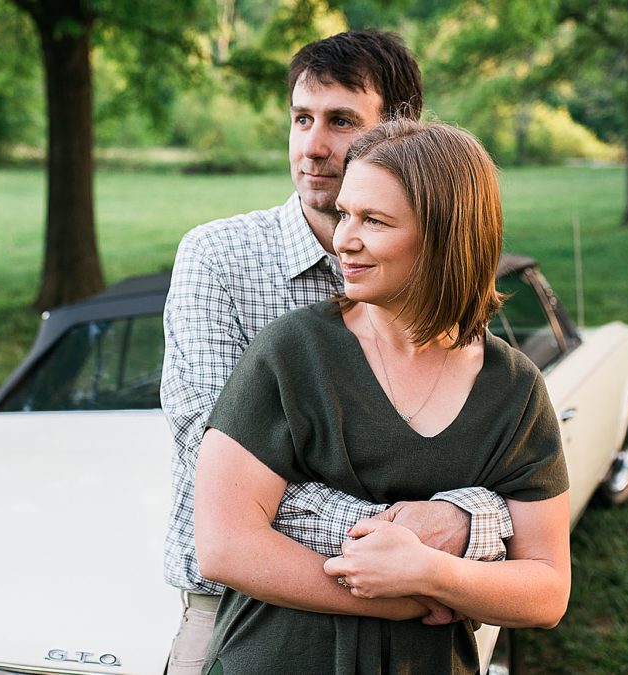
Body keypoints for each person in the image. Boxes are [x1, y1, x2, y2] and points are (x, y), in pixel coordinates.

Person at [161, 30, 514, 675]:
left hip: (427, 627)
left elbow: (499, 456)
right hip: (243, 608)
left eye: (341, 121)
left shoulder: (445, 275)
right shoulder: (218, 259)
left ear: (400, 135)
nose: (313, 147)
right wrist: (406, 546)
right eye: (301, 119)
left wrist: (465, 522)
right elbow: (208, 449)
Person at [193, 120, 571, 674]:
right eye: (345, 213)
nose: (344, 238)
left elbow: (546, 588)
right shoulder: (294, 352)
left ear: (447, 236)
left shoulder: (513, 391)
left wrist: (431, 574)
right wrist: (400, 602)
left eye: (374, 220)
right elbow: (225, 544)